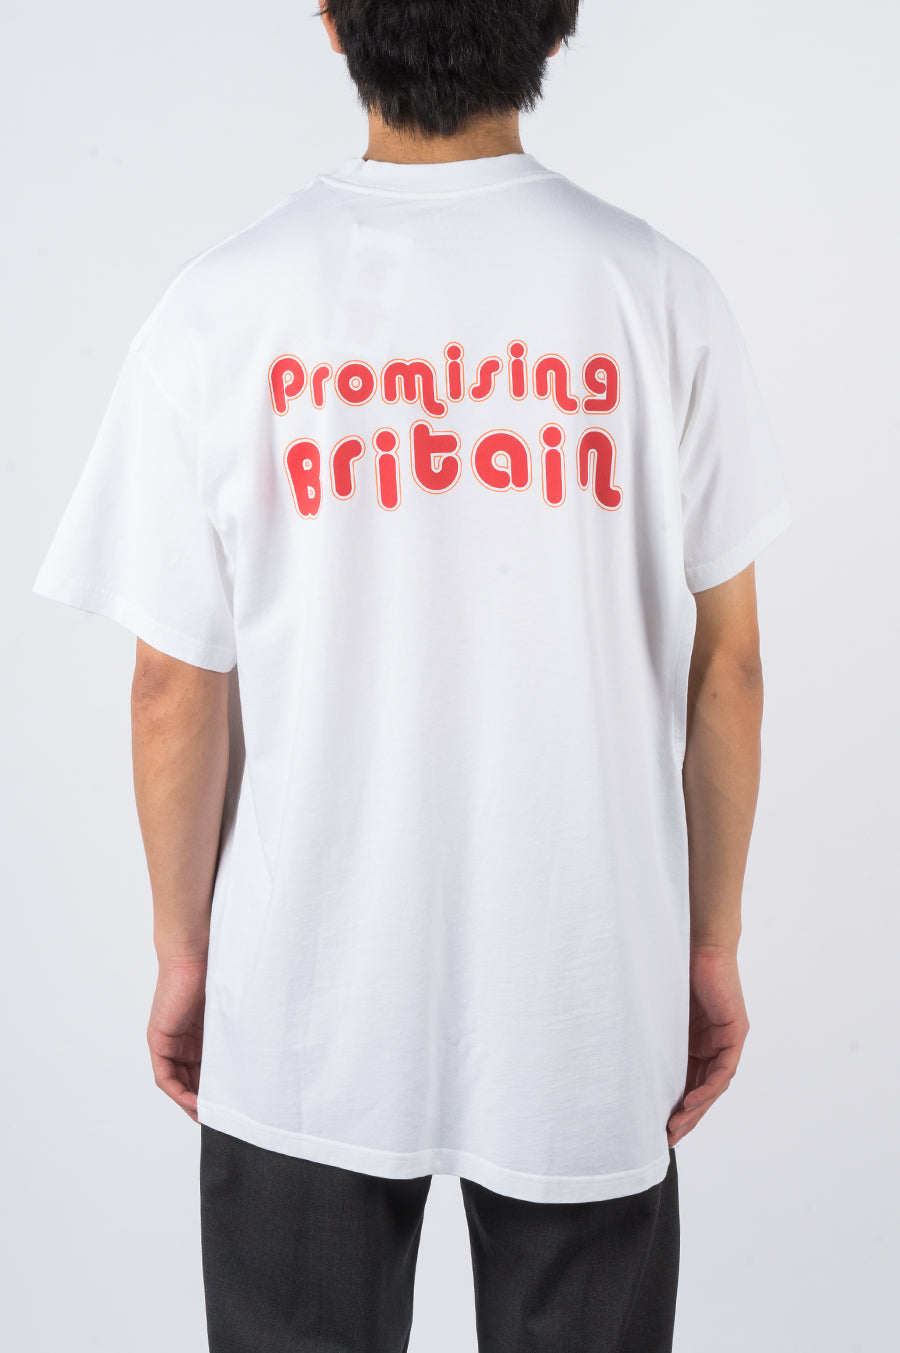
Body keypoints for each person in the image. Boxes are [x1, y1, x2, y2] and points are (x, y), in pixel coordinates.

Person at [31, 2, 792, 1349]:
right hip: (587, 991)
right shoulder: (660, 292)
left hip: (303, 997)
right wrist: (710, 944)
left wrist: (185, 950)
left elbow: (172, 686)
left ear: (333, 25)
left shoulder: (224, 304)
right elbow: (727, 667)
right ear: (556, 26)